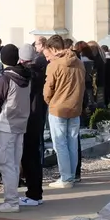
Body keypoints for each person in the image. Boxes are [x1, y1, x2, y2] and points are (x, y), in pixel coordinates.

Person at [0, 44, 38, 213]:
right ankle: (13, 199)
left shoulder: (5, 78)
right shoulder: (26, 76)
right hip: (20, 124)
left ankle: (11, 201)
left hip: (5, 124)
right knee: (14, 163)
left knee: (5, 164)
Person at [42, 35, 85, 189]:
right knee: (72, 142)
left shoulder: (54, 65)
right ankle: (71, 176)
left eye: (48, 54)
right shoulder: (79, 62)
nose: (47, 59)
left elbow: (48, 90)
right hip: (75, 107)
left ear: (53, 49)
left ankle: (65, 177)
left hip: (58, 108)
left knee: (60, 143)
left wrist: (49, 101)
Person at [19, 43, 48, 204]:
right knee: (34, 155)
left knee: (29, 156)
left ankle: (33, 194)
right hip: (38, 116)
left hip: (28, 118)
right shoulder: (41, 72)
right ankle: (36, 192)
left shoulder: (26, 76)